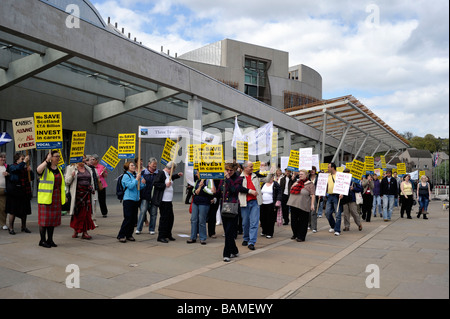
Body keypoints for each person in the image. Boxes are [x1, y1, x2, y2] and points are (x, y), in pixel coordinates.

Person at [36, 150, 66, 248]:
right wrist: (46, 161)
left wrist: (64, 197)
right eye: (56, 156)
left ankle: (50, 240)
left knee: (52, 221)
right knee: (44, 221)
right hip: (45, 198)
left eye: (59, 156)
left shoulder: (59, 169)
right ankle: (42, 240)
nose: (58, 158)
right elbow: (38, 170)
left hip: (56, 198)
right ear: (51, 157)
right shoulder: (45, 168)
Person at [153, 161, 183, 243]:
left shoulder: (167, 174)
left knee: (170, 218)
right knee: (164, 218)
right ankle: (161, 236)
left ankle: (168, 234)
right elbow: (155, 183)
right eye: (173, 170)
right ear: (170, 169)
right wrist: (165, 185)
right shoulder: (161, 173)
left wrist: (177, 175)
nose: (173, 172)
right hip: (163, 200)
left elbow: (170, 178)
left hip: (169, 200)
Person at [65, 159, 96, 239]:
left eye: (84, 160)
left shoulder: (88, 169)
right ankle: (76, 230)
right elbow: (67, 182)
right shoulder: (70, 168)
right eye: (81, 160)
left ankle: (85, 232)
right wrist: (72, 176)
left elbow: (91, 181)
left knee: (86, 213)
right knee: (77, 213)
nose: (83, 161)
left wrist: (92, 188)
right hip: (77, 195)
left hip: (87, 195)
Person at [218, 162, 242, 262]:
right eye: (227, 170)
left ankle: (226, 253)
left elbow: (234, 190)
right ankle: (234, 250)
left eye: (230, 170)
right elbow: (220, 190)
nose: (228, 172)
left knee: (229, 231)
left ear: (234, 170)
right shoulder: (223, 178)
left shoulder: (239, 179)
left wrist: (228, 179)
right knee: (227, 231)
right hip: (223, 205)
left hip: (233, 206)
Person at [238, 161, 264, 250]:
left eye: (252, 166)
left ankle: (252, 242)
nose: (252, 168)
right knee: (245, 223)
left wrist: (271, 172)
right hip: (244, 202)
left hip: (255, 202)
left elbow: (267, 179)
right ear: (245, 168)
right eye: (250, 167)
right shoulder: (240, 177)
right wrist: (250, 191)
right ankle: (246, 238)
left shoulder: (256, 175)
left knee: (254, 222)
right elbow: (239, 188)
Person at [5, 153, 33, 235]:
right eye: (22, 158)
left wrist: (30, 171)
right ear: (17, 160)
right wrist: (24, 162)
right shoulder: (12, 166)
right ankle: (11, 228)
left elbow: (32, 178)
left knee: (24, 210)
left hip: (24, 192)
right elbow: (17, 169)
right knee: (12, 211)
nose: (24, 160)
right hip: (14, 192)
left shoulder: (24, 167)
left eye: (24, 158)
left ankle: (23, 227)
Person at [117, 161, 144, 242]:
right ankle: (121, 235)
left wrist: (143, 183)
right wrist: (136, 179)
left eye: (133, 165)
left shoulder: (135, 175)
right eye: (131, 165)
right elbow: (130, 186)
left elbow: (139, 187)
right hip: (128, 199)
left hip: (136, 199)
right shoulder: (125, 176)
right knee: (128, 218)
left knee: (133, 219)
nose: (133, 166)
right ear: (127, 167)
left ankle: (129, 234)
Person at [287, 169, 315, 242]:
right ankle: (295, 234)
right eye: (299, 174)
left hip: (304, 205)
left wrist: (312, 205)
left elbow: (313, 195)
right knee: (294, 221)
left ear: (306, 175)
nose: (300, 175)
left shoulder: (310, 184)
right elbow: (290, 190)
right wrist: (293, 185)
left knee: (303, 221)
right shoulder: (297, 182)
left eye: (302, 174)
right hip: (294, 204)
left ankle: (301, 236)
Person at [187, 172, 215, 245]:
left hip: (204, 202)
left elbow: (212, 192)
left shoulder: (209, 180)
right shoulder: (198, 181)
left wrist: (204, 187)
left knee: (202, 220)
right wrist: (194, 191)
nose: (196, 174)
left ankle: (202, 238)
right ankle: (193, 237)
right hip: (196, 202)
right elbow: (194, 190)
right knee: (193, 219)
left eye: (198, 173)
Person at [136, 157, 159, 235]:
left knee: (154, 213)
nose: (154, 167)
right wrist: (141, 181)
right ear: (149, 164)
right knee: (143, 211)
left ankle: (152, 229)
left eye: (155, 166)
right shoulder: (143, 173)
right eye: (153, 165)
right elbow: (137, 182)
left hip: (154, 196)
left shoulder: (158, 173)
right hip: (145, 196)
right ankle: (139, 228)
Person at [260, 172, 281, 239]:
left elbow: (279, 193)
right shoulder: (264, 184)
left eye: (270, 177)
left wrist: (278, 201)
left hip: (271, 204)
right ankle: (264, 230)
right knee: (263, 218)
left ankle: (270, 232)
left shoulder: (275, 184)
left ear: (272, 178)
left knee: (270, 219)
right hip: (263, 204)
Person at [324, 163, 343, 236]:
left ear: (333, 168)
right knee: (327, 213)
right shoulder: (328, 176)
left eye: (328, 167)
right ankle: (333, 225)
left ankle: (337, 230)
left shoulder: (339, 175)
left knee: (338, 214)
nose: (327, 168)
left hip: (337, 196)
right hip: (330, 196)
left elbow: (343, 185)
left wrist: (342, 194)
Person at [91, 154, 108, 218]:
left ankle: (104, 212)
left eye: (93, 159)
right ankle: (92, 212)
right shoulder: (90, 167)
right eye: (91, 159)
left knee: (102, 199)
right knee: (93, 199)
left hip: (101, 184)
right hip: (93, 184)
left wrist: (103, 172)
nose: (92, 161)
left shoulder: (101, 167)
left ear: (97, 160)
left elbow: (105, 176)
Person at [0, 152, 7, 230]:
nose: (3, 159)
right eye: (1, 157)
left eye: (4, 157)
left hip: (4, 189)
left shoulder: (6, 167)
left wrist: (8, 174)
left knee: (3, 208)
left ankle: (3, 223)